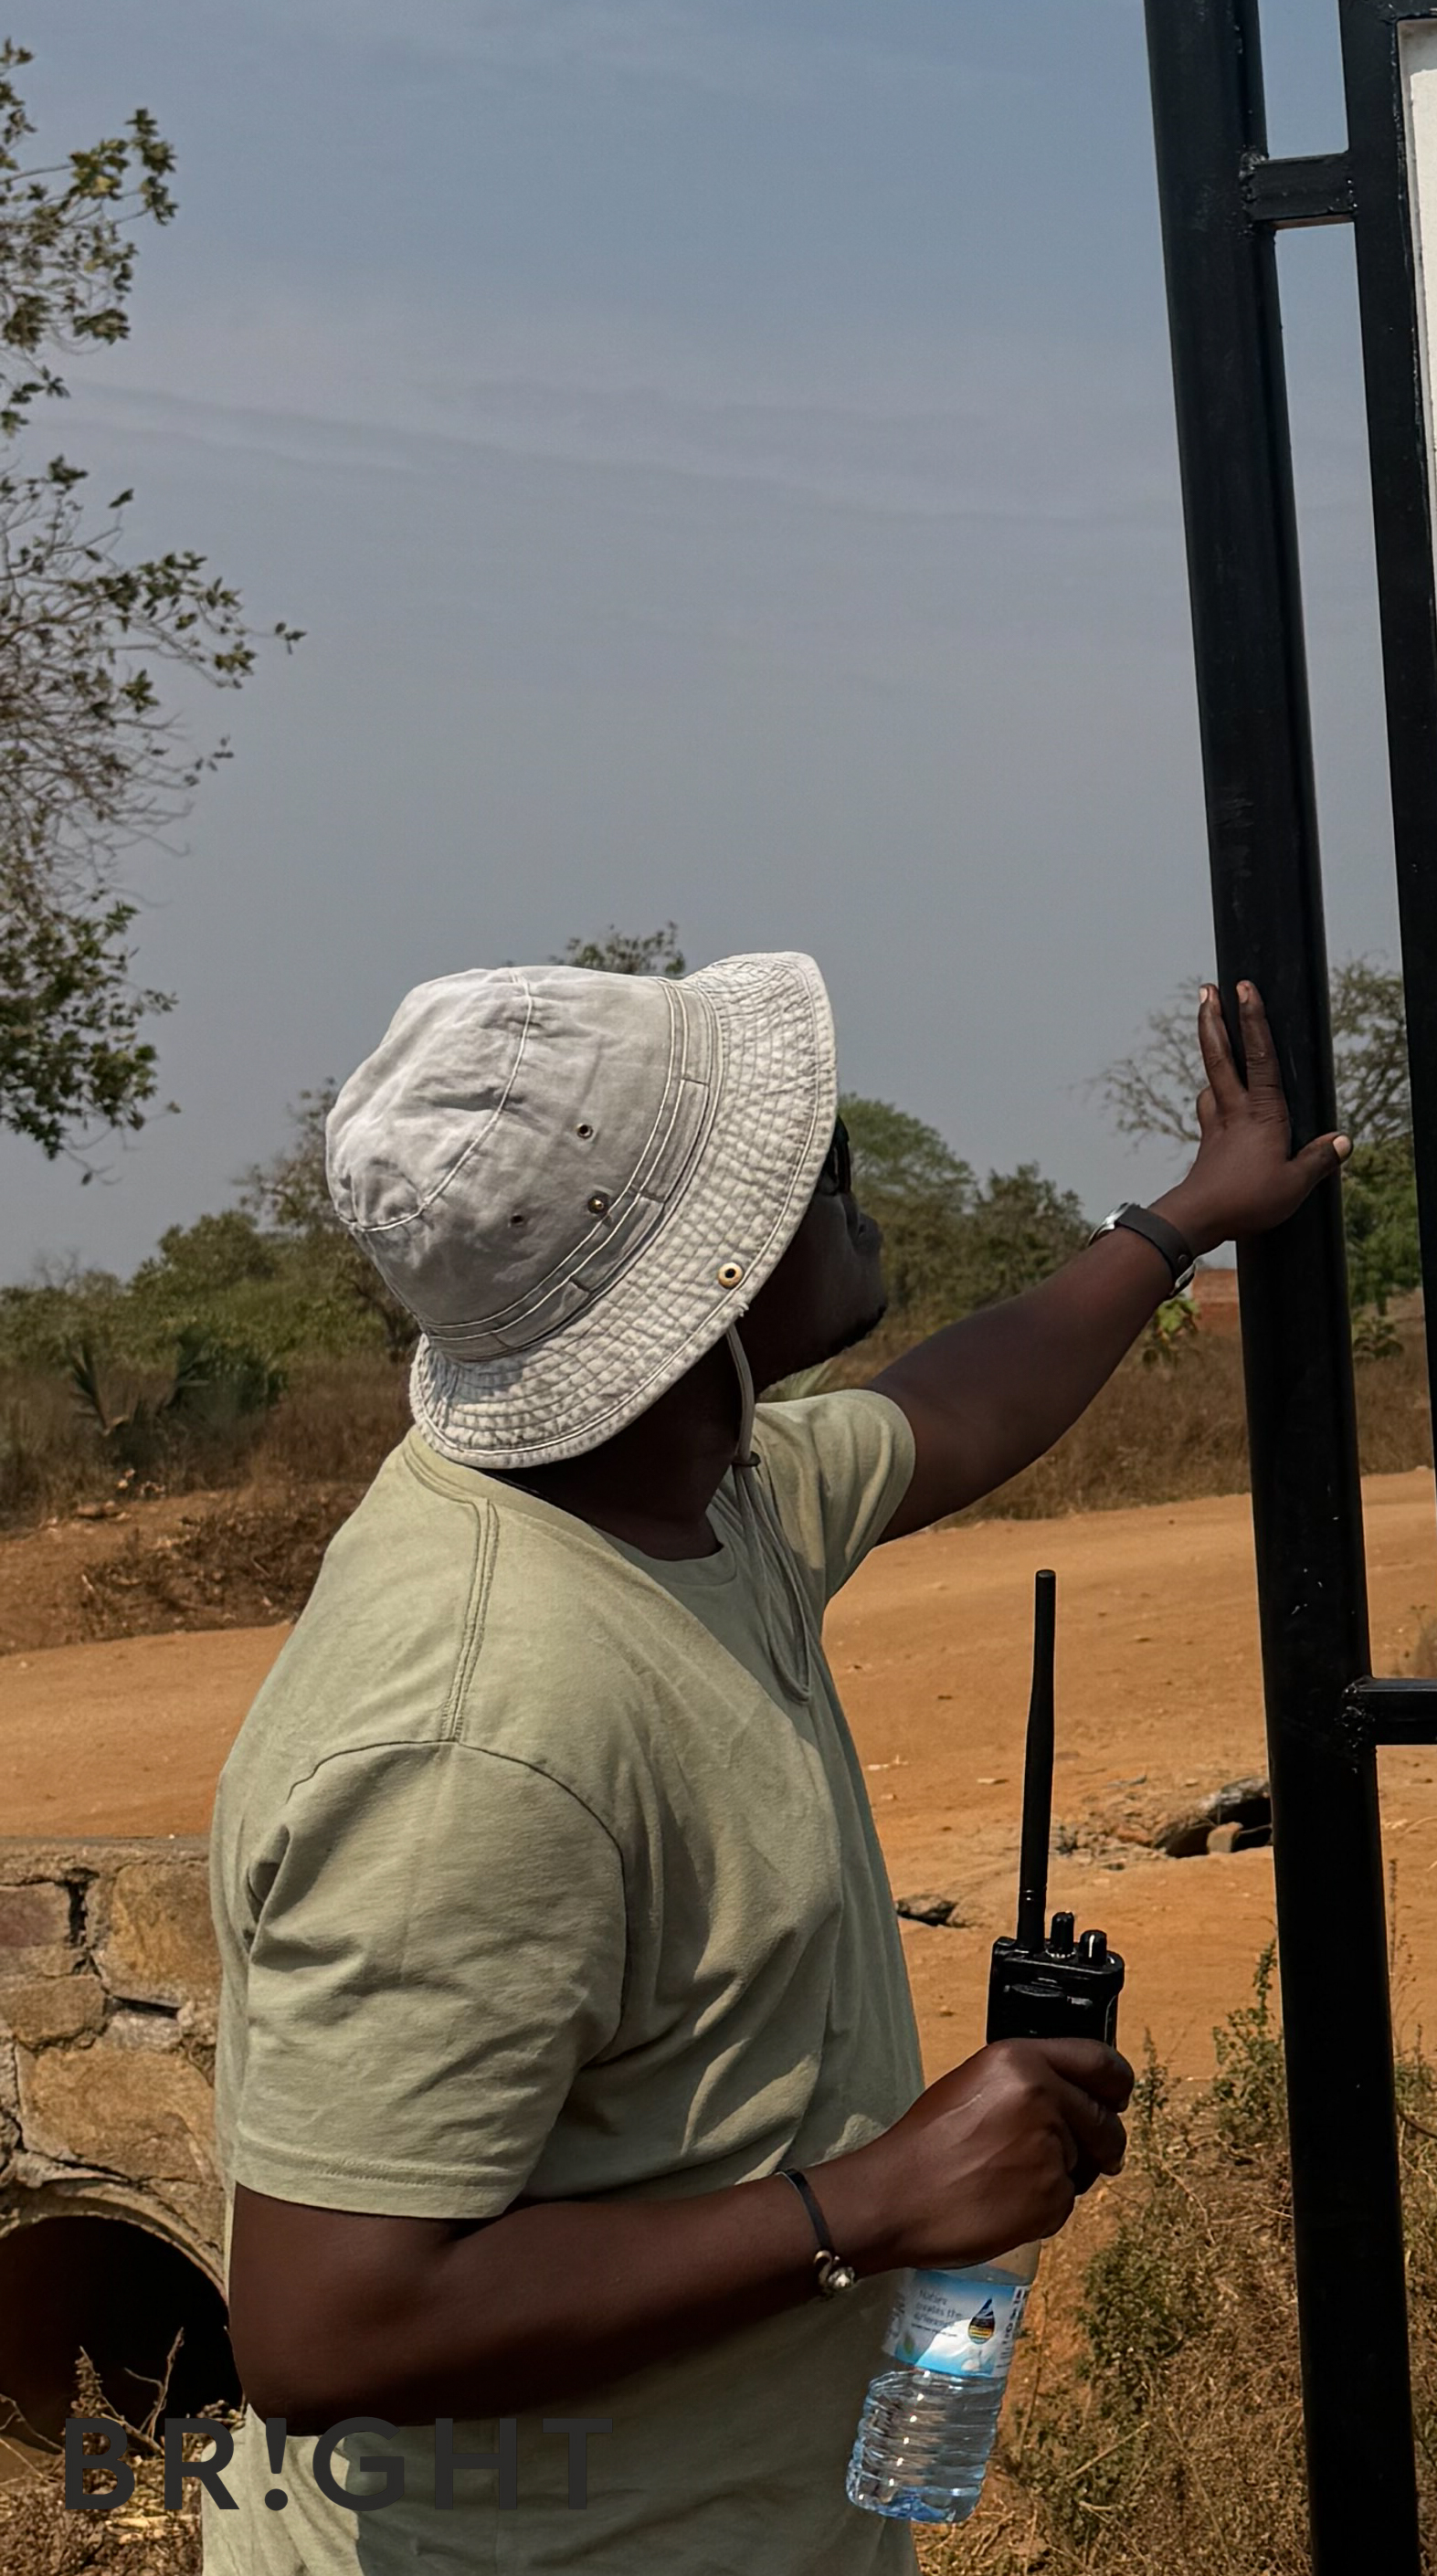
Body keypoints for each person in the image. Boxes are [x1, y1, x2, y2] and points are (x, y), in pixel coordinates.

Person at [206, 953, 1341, 2570]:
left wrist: (1177, 1224)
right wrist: (868, 2204)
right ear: (708, 1280)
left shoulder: (686, 1491)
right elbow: (331, 2328)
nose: (843, 1171)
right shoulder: (482, 1726)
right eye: (803, 1169)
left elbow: (942, 1411)